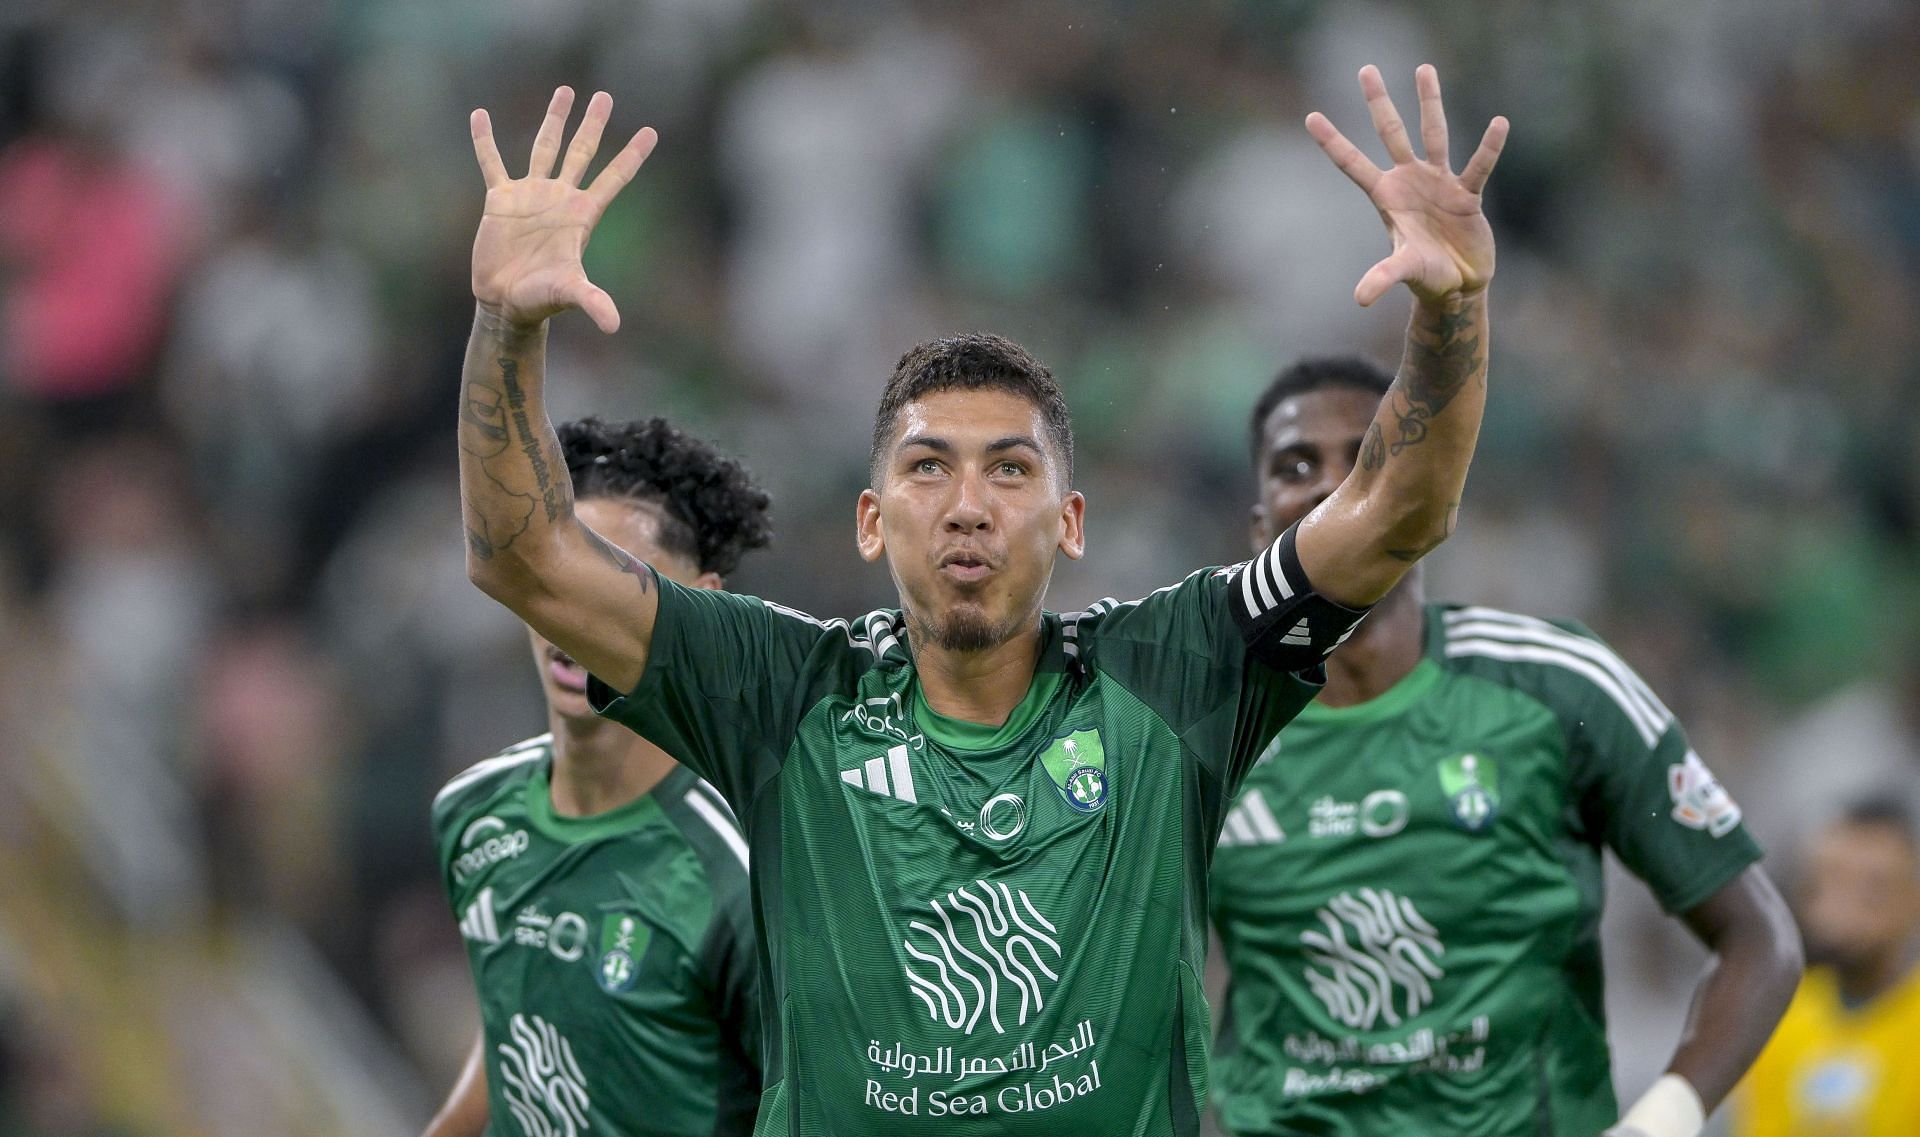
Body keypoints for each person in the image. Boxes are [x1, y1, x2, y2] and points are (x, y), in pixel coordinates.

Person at [458, 65, 1504, 1136]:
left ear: (1073, 521)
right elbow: (526, 561)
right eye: (927, 469)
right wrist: (505, 324)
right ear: (871, 521)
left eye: (1010, 470)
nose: (968, 505)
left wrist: (1452, 308)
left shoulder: (1176, 668)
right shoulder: (779, 693)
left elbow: (1396, 512)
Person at [1208, 355, 1804, 1137]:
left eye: (1364, 460)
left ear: (1421, 495)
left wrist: (1662, 1117)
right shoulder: (1200, 726)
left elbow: (1759, 934)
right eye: (1296, 465)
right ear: (1260, 526)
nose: (1329, 486)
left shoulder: (1557, 684)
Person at [425, 416, 771, 1137]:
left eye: (614, 583)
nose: (573, 617)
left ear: (699, 607)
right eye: (558, 576)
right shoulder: (473, 810)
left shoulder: (745, 874)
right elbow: (515, 1026)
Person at [1735, 796, 1920, 1137]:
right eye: (1830, 883)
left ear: (1912, 900)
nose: (1844, 913)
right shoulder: (1777, 1018)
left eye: (1872, 891)